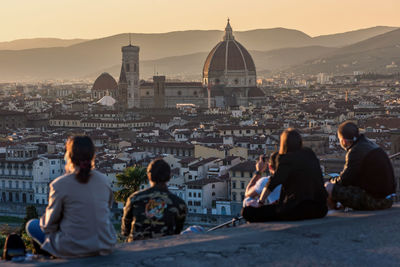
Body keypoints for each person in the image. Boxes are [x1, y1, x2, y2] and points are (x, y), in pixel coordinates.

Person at [26, 136, 116, 258]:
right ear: (92, 156)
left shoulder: (60, 184)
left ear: (69, 156)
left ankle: (50, 258)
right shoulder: (104, 180)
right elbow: (107, 208)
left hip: (73, 248)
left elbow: (49, 224)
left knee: (32, 225)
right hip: (105, 245)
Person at [242, 128, 328, 222]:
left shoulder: (285, 158)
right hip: (321, 209)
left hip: (298, 210)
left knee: (247, 212)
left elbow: (273, 182)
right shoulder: (309, 153)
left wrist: (260, 202)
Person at [325, 121, 396, 210]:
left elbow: (345, 180)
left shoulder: (355, 151)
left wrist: (331, 182)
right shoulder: (370, 145)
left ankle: (334, 214)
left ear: (343, 141)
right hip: (387, 199)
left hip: (376, 201)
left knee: (329, 187)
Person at [121, 158, 187, 242]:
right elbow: (177, 231)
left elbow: (125, 230)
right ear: (169, 177)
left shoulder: (135, 199)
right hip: (164, 250)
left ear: (149, 176)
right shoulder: (179, 204)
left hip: (136, 250)